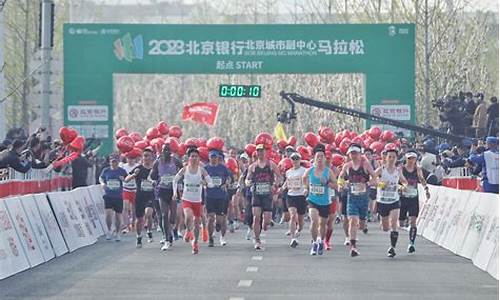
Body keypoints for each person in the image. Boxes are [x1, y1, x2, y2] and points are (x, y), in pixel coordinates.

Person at [338, 144, 376, 257]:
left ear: (360, 154)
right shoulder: (347, 166)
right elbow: (340, 177)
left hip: (364, 199)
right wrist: (341, 184)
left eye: (355, 153)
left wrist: (368, 184)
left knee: (362, 225)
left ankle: (363, 224)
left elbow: (374, 177)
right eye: (351, 153)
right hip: (352, 198)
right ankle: (353, 247)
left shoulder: (365, 165)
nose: (353, 155)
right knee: (352, 220)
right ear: (349, 154)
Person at [173, 148, 214, 254]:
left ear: (199, 158)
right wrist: (174, 193)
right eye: (192, 156)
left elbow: (211, 183)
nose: (194, 158)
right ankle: (187, 230)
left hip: (198, 200)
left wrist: (206, 183)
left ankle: (195, 242)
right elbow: (175, 180)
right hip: (186, 199)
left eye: (196, 156)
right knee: (188, 216)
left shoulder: (202, 170)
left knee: (197, 222)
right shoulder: (184, 169)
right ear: (189, 158)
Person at [245, 144, 282, 250]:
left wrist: (275, 185)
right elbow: (247, 179)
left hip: (267, 195)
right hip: (256, 194)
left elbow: (279, 177)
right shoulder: (253, 166)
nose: (260, 153)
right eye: (258, 151)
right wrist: (249, 183)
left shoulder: (271, 165)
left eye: (262, 151)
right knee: (256, 217)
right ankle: (257, 239)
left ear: (265, 152)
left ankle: (264, 225)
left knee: (266, 219)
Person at [303, 144, 337, 256]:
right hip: (312, 200)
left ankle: (321, 241)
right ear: (314, 158)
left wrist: (327, 183)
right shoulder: (310, 171)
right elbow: (304, 178)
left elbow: (335, 185)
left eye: (322, 156)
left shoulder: (328, 172)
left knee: (323, 224)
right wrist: (306, 188)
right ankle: (314, 243)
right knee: (314, 220)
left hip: (325, 202)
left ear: (324, 158)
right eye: (317, 156)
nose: (319, 158)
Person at [374, 148, 408, 258]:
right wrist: (380, 183)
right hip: (383, 201)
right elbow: (372, 179)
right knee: (385, 228)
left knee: (394, 222)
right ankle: (384, 223)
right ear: (386, 158)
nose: (391, 159)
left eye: (394, 157)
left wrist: (403, 187)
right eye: (389, 157)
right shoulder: (381, 169)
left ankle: (392, 248)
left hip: (394, 200)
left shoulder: (398, 171)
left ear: (396, 158)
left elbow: (404, 181)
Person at [150, 144, 182, 250]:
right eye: (164, 150)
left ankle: (171, 230)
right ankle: (167, 239)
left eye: (168, 150)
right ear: (162, 151)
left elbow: (183, 170)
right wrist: (153, 181)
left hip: (173, 191)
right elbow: (151, 176)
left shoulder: (175, 161)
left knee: (172, 216)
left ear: (171, 151)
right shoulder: (157, 162)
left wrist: (179, 178)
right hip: (162, 190)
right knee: (164, 215)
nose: (166, 152)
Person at [399, 150, 430, 253]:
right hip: (402, 198)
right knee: (401, 223)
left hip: (413, 198)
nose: (411, 161)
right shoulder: (401, 169)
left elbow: (421, 179)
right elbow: (397, 180)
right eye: (409, 159)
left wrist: (426, 189)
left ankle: (411, 243)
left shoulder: (417, 169)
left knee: (413, 221)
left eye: (413, 159)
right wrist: (400, 187)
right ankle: (404, 220)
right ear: (406, 159)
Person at [125, 148, 156, 248]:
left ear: (152, 157)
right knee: (139, 219)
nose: (146, 158)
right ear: (142, 157)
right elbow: (126, 180)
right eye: (144, 156)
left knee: (149, 213)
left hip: (150, 196)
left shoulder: (154, 170)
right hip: (139, 196)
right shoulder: (138, 168)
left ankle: (149, 230)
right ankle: (139, 237)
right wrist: (134, 175)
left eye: (148, 155)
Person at [204, 150, 231, 247]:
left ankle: (219, 228)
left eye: (215, 157)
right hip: (210, 196)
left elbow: (229, 178)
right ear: (209, 158)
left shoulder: (223, 168)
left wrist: (226, 183)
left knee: (220, 220)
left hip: (221, 196)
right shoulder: (206, 168)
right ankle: (210, 238)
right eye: (212, 157)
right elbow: (201, 178)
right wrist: (204, 183)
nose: (214, 159)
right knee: (210, 218)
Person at [99, 154, 128, 242]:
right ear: (110, 162)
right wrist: (102, 184)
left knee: (118, 216)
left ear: (118, 162)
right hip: (108, 195)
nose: (113, 163)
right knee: (108, 213)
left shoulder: (122, 171)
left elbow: (127, 179)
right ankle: (109, 230)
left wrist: (124, 179)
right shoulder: (106, 170)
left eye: (115, 161)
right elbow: (101, 178)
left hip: (118, 196)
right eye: (112, 161)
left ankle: (117, 232)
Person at [282, 152, 307, 248]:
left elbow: (307, 181)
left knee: (300, 221)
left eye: (297, 159)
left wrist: (306, 189)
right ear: (291, 160)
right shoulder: (288, 172)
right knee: (292, 215)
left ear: (300, 160)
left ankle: (298, 230)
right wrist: (283, 187)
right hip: (291, 196)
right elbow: (287, 181)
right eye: (293, 159)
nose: (295, 160)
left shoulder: (304, 170)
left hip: (301, 196)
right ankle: (293, 238)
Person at [119, 153, 139, 233]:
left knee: (134, 209)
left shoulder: (138, 166)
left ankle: (133, 223)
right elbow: (120, 175)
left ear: (135, 159)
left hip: (135, 189)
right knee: (125, 207)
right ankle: (125, 226)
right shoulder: (123, 166)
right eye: (128, 158)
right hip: (126, 189)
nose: (130, 160)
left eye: (132, 158)